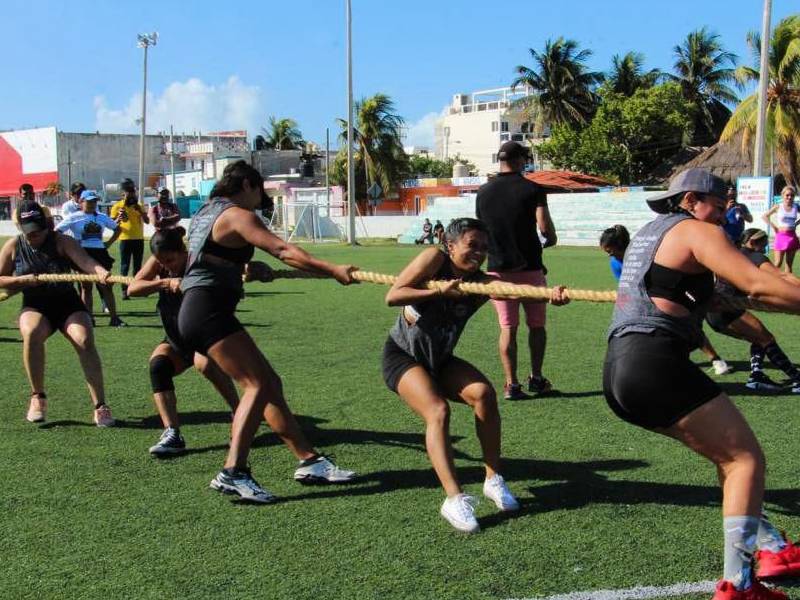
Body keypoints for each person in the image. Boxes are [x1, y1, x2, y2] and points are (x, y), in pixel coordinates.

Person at [603, 168, 800, 600]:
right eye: (719, 200)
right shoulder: (697, 230)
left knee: (728, 459)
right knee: (744, 459)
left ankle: (771, 547)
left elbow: (740, 298)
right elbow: (758, 286)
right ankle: (740, 587)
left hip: (622, 370)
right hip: (653, 363)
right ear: (691, 201)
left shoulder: (654, 232)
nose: (727, 207)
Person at [178, 160, 357, 502]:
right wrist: (332, 269)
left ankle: (309, 460)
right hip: (208, 311)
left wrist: (246, 266)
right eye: (259, 191)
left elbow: (212, 256)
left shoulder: (206, 213)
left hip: (199, 309)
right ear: (246, 184)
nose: (260, 200)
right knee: (256, 384)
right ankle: (234, 471)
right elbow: (283, 250)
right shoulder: (238, 214)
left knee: (269, 384)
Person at [383, 218, 568, 532]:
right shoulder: (434, 259)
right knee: (437, 411)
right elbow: (394, 295)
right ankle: (453, 499)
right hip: (402, 357)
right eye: (472, 245)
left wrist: (551, 294)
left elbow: (517, 293)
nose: (479, 253)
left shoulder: (481, 282)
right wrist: (438, 291)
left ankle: (493, 479)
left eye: (484, 247)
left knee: (483, 393)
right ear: (450, 244)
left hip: (440, 360)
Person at [0, 201, 115, 426]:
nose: (34, 235)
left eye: (38, 230)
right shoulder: (14, 245)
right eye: (29, 231)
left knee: (84, 339)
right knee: (31, 333)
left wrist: (101, 272)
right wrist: (20, 280)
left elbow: (86, 262)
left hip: (67, 303)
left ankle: (100, 405)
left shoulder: (62, 241)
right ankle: (38, 397)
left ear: (47, 225)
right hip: (36, 305)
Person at [475, 141, 557, 399]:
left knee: (507, 328)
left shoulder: (483, 192)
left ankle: (511, 384)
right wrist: (550, 238)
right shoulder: (533, 189)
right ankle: (536, 377)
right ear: (521, 160)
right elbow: (543, 227)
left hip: (498, 270)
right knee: (537, 326)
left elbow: (480, 229)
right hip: (530, 269)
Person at [600, 223, 733, 376]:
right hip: (643, 301)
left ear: (622, 246)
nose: (609, 255)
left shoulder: (648, 253)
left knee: (686, 327)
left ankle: (716, 360)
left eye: (611, 252)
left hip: (671, 294)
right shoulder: (615, 263)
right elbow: (626, 284)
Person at [706, 228, 800, 393]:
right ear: (754, 242)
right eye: (764, 243)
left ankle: (756, 376)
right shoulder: (755, 257)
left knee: (758, 338)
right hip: (727, 309)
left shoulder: (734, 254)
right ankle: (796, 379)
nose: (765, 247)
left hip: (712, 312)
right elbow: (783, 277)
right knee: (766, 339)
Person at [55, 190, 126, 327]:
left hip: (100, 253)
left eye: (94, 201)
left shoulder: (102, 217)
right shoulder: (74, 217)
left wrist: (108, 243)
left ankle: (114, 318)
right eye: (89, 201)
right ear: (81, 202)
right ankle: (88, 318)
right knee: (85, 287)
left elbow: (117, 229)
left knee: (106, 286)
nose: (92, 204)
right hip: (82, 253)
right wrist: (69, 247)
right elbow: (58, 231)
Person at [110, 178, 149, 299]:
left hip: (138, 239)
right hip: (125, 239)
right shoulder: (117, 206)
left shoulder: (140, 205)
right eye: (128, 192)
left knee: (138, 266)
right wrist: (119, 218)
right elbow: (111, 224)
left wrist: (140, 211)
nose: (131, 194)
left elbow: (147, 221)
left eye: (133, 192)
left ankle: (137, 289)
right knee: (125, 266)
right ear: (123, 193)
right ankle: (124, 290)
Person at [762, 185, 799, 273]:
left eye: (792, 195)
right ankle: (770, 282)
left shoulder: (796, 206)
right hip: (781, 237)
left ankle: (788, 285)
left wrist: (796, 224)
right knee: (777, 263)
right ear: (783, 195)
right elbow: (764, 216)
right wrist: (774, 227)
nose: (789, 197)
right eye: (787, 195)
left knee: (789, 265)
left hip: (792, 237)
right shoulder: (778, 206)